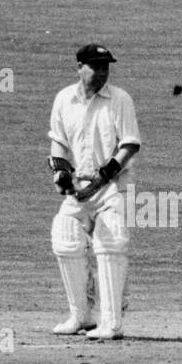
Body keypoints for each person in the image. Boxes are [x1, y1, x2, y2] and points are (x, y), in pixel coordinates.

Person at [47, 43, 141, 341]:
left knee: (110, 244)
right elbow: (58, 142)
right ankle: (81, 316)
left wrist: (103, 177)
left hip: (112, 186)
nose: (102, 72)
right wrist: (61, 172)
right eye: (96, 66)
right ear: (79, 67)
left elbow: (129, 144)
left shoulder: (119, 99)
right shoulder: (64, 99)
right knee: (64, 238)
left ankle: (111, 323)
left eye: (106, 67)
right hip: (78, 188)